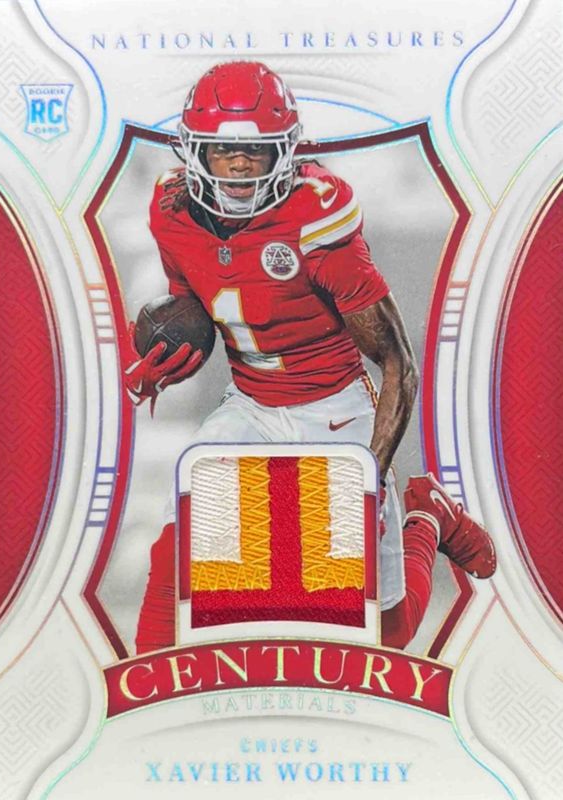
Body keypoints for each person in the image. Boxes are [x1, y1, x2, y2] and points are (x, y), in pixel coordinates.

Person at [126, 61, 495, 653]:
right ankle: (151, 677)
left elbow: (398, 362)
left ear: (286, 153)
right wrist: (160, 357)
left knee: (387, 633)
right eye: (223, 150)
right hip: (250, 404)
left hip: (332, 405)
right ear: (194, 151)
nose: (239, 164)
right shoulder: (171, 213)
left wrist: (368, 474)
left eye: (256, 151)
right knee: (185, 525)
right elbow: (192, 304)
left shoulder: (315, 216)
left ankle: (428, 514)